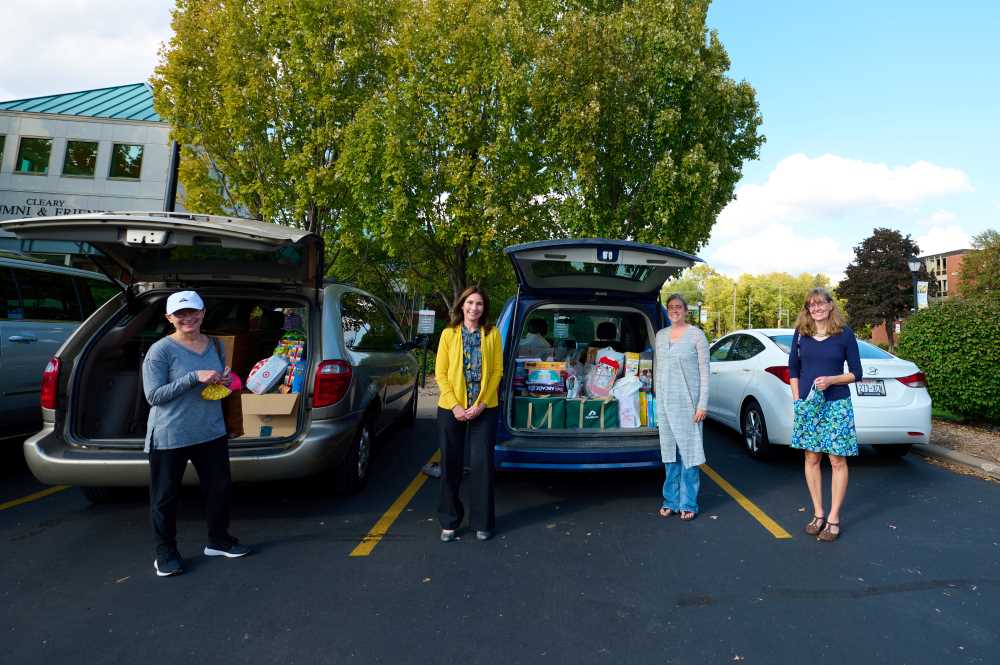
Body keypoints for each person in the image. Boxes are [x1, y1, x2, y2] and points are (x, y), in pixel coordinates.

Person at [143, 290, 251, 577]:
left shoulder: (214, 344)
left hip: (210, 430)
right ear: (169, 318)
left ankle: (219, 540)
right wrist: (193, 377)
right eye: (180, 314)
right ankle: (165, 554)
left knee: (219, 489)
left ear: (203, 313)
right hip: (171, 434)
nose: (187, 318)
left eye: (192, 312)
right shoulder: (160, 351)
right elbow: (153, 395)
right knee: (165, 496)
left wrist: (224, 381)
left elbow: (214, 388)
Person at [789, 287, 862, 542]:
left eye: (821, 304)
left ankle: (833, 518)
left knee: (837, 460)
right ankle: (818, 513)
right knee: (811, 457)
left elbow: (856, 373)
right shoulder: (801, 334)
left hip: (837, 404)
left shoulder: (844, 335)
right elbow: (793, 369)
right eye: (811, 305)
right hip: (809, 405)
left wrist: (832, 380)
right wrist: (797, 400)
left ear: (831, 306)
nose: (816, 308)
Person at [434, 286, 503, 542]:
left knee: (481, 465)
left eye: (480, 304)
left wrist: (482, 404)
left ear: (484, 309)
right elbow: (440, 374)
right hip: (451, 409)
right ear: (462, 305)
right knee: (450, 464)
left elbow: (497, 371)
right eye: (470, 303)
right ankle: (450, 521)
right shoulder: (448, 334)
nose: (475, 308)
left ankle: (483, 522)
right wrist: (455, 405)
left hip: (484, 409)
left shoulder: (492, 334)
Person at [654, 294, 709, 521]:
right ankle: (671, 501)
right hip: (665, 402)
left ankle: (688, 503)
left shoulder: (697, 335)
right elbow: (658, 367)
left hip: (689, 404)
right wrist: (657, 397)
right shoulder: (660, 335)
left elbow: (705, 373)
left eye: (678, 307)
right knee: (669, 453)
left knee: (689, 453)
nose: (674, 310)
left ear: (686, 310)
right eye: (671, 307)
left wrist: (702, 404)